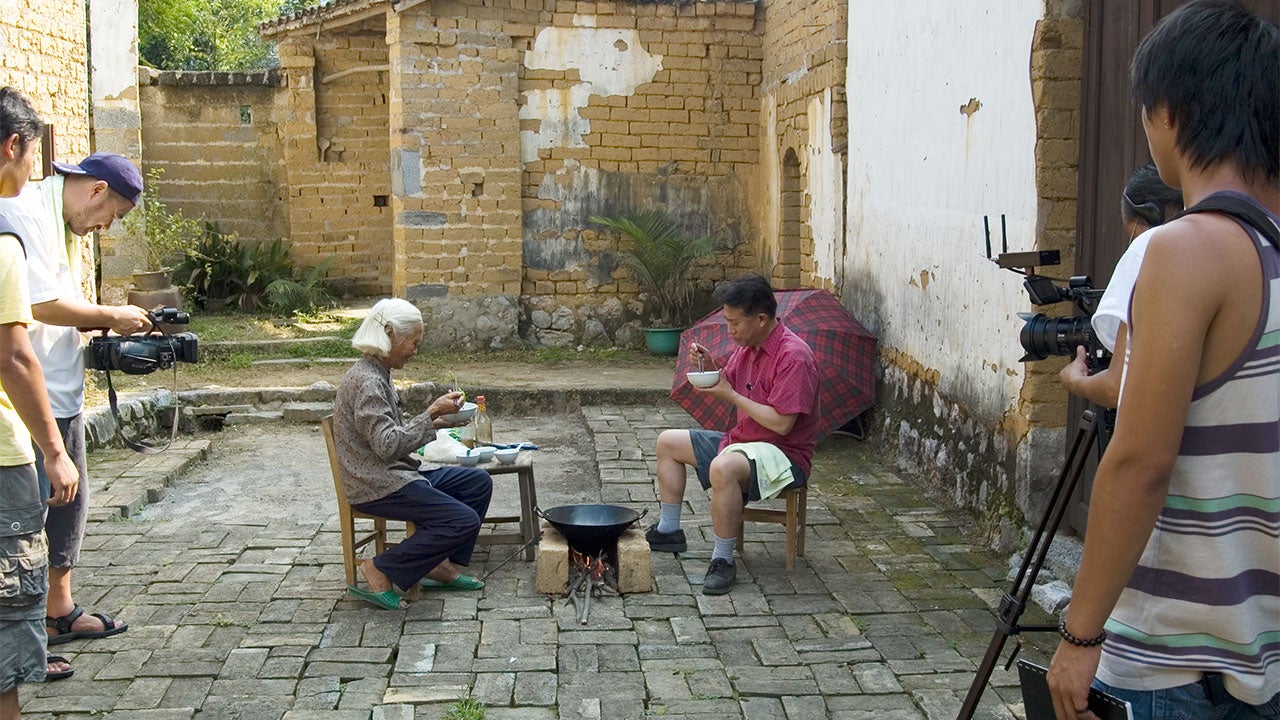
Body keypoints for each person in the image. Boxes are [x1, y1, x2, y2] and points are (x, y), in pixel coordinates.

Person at [1046, 3, 1280, 719]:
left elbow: (1140, 459)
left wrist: (1082, 633)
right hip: (1263, 654)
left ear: (1169, 112)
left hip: (1174, 660)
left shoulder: (1187, 248)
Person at [0, 153, 150, 654]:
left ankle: (57, 613)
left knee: (68, 508)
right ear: (96, 191)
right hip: (26, 399)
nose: (108, 225)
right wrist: (111, 311)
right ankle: (27, 639)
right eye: (116, 214)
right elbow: (37, 304)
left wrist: (96, 320)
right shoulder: (23, 214)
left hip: (62, 388)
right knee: (25, 521)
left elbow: (54, 304)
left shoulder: (64, 223)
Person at [646, 274, 819, 595]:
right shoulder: (748, 347)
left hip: (784, 455)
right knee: (668, 442)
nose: (730, 331)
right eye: (726, 322)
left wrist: (732, 396)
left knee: (722, 468)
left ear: (762, 319)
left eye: (734, 323)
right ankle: (668, 531)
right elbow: (728, 381)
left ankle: (723, 560)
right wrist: (711, 366)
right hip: (745, 442)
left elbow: (782, 424)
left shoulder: (793, 356)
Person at [331, 298, 493, 610]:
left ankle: (437, 563)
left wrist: (432, 421)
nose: (415, 350)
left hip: (395, 473)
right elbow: (387, 445)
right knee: (461, 519)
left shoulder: (378, 371)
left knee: (477, 482)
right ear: (390, 334)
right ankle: (380, 568)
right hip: (375, 483)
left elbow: (387, 432)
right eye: (413, 342)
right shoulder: (367, 381)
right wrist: (430, 412)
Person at [0, 87, 79, 720]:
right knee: (7, 608)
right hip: (3, 453)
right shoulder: (6, 237)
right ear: (12, 146)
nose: (34, 173)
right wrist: (53, 450)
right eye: (33, 157)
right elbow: (14, 354)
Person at [1057, 164, 1183, 408]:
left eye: (1134, 234)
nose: (1135, 242)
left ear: (1151, 213)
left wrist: (1075, 380)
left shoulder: (1150, 244)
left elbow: (1117, 388)